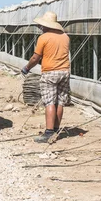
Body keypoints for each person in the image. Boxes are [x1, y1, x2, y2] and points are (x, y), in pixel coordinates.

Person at [21, 11, 70, 143]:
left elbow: (36, 57)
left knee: (49, 101)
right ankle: (56, 129)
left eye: (42, 25)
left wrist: (27, 68)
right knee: (60, 101)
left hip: (50, 73)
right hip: (65, 72)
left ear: (46, 26)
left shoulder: (43, 38)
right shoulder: (65, 36)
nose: (41, 27)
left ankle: (48, 133)